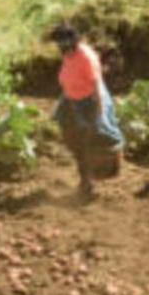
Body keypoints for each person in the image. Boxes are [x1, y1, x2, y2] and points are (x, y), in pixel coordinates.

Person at [51, 23, 125, 199]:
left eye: (66, 44)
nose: (63, 48)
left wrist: (99, 110)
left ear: (73, 41)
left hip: (90, 100)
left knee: (94, 135)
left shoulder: (86, 57)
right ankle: (86, 179)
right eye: (60, 45)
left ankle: (93, 179)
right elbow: (69, 78)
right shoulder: (68, 54)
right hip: (72, 99)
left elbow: (96, 85)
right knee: (74, 139)